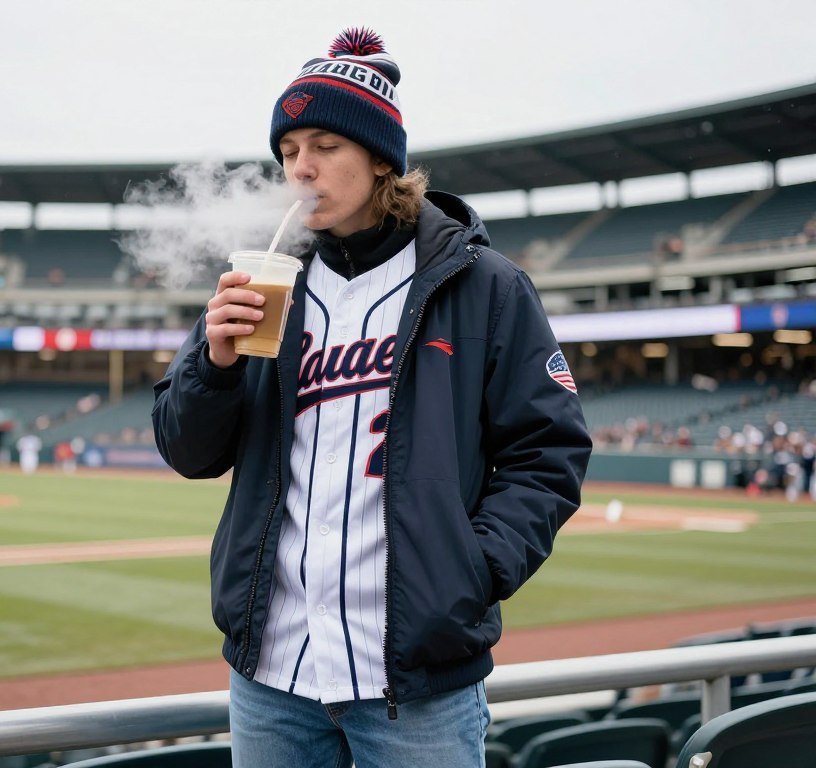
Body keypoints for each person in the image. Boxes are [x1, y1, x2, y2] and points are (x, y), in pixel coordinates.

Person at [153, 27, 592, 768]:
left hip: (415, 683)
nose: (301, 168)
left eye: (324, 144)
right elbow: (189, 452)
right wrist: (216, 365)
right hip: (272, 675)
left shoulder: (484, 287)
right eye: (288, 152)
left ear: (379, 156)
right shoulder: (265, 285)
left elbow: (548, 453)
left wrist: (471, 571)